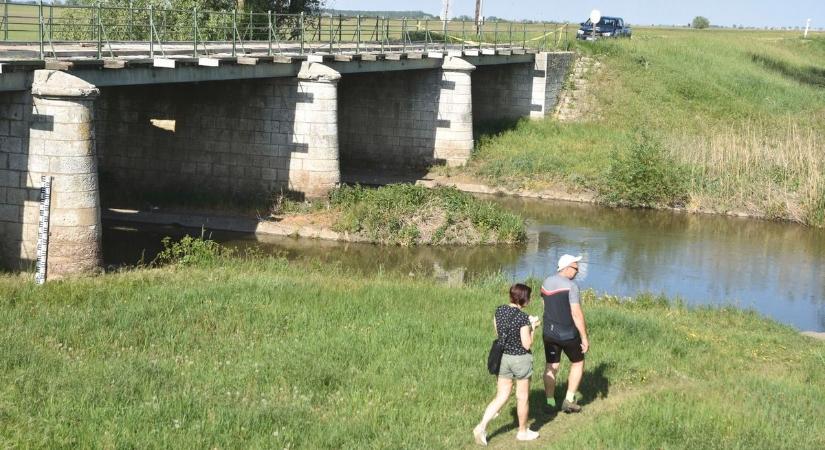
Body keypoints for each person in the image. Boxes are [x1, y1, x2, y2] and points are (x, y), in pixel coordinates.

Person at [473, 283, 541, 446]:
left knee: (501, 396)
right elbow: (527, 344)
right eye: (529, 298)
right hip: (520, 360)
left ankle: (481, 426)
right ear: (523, 299)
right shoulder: (522, 318)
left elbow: (499, 333)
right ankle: (522, 432)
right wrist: (533, 327)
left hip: (503, 358)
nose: (530, 300)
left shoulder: (499, 310)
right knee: (522, 397)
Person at [541, 254, 589, 413]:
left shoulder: (546, 282)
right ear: (567, 268)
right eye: (576, 268)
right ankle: (568, 400)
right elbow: (576, 313)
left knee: (551, 365)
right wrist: (584, 337)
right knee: (578, 362)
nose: (577, 271)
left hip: (549, 333)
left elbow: (544, 305)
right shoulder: (572, 286)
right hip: (568, 334)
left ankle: (549, 402)